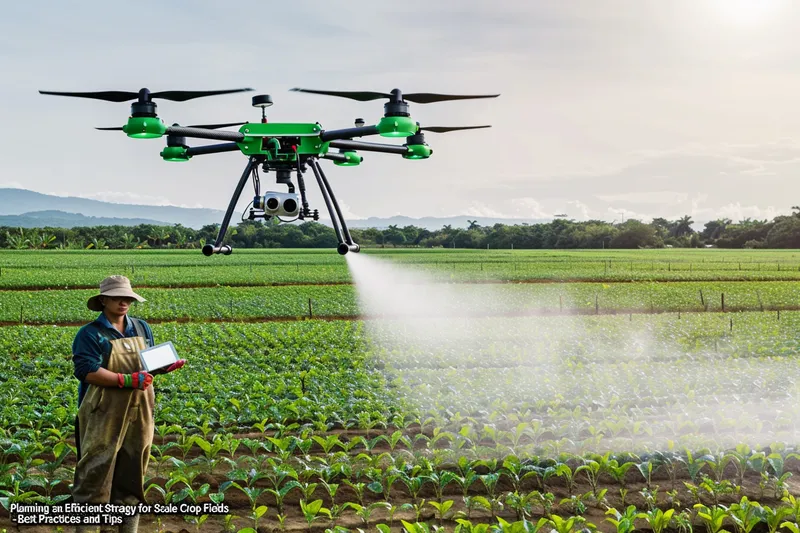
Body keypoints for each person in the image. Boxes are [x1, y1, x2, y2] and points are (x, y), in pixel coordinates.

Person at [71, 275, 185, 533]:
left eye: (128, 298)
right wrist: (125, 380)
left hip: (140, 406)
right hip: (103, 408)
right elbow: (86, 371)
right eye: (117, 297)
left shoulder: (141, 327)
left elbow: (147, 364)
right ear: (103, 300)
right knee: (96, 468)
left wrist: (165, 367)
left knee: (134, 466)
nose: (124, 302)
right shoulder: (90, 333)